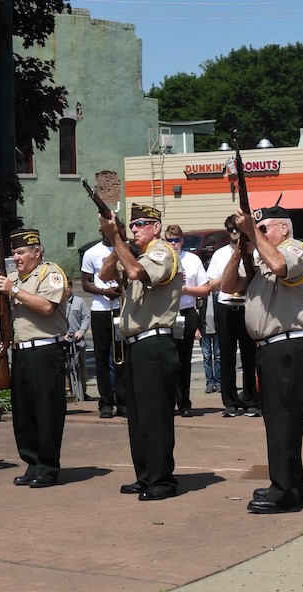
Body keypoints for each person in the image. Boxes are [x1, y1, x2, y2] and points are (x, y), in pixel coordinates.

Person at [224, 206, 303, 514]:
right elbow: (228, 287)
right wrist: (240, 249)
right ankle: (282, 484)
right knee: (276, 421)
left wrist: (253, 233)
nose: (258, 232)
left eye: (264, 228)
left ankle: (287, 492)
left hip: (290, 346)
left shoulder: (294, 249)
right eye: (258, 227)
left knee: (286, 422)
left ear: (284, 229)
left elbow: (280, 265)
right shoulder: (259, 259)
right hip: (270, 349)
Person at [99, 204, 183, 501]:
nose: (135, 229)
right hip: (136, 344)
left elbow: (135, 272)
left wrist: (118, 239)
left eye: (141, 224)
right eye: (132, 225)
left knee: (155, 414)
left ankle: (163, 479)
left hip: (155, 342)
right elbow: (105, 273)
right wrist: (115, 241)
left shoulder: (162, 253)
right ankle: (145, 475)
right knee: (137, 415)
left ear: (157, 226)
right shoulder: (137, 252)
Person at [0, 229, 70, 488]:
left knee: (46, 411)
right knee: (24, 413)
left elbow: (47, 307)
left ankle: (48, 467)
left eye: (21, 252)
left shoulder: (50, 273)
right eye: (13, 253)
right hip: (22, 351)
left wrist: (14, 290)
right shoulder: (13, 278)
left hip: (46, 350)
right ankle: (32, 462)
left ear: (37, 252)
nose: (16, 257)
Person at [206, 216, 259, 417]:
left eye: (237, 229)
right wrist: (231, 274)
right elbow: (212, 283)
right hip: (226, 306)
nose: (234, 233)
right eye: (230, 230)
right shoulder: (220, 255)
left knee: (249, 355)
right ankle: (230, 401)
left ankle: (251, 398)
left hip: (247, 306)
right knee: (226, 355)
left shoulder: (253, 252)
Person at [165, 224, 209, 418]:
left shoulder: (192, 260)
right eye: (170, 240)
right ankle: (166, 402)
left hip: (187, 310)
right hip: (166, 313)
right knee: (167, 361)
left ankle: (184, 403)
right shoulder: (161, 258)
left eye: (177, 240)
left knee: (184, 361)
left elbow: (205, 289)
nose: (174, 244)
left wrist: (186, 290)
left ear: (182, 241)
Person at [81, 230, 126, 419]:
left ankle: (123, 401)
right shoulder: (92, 252)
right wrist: (103, 291)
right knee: (101, 357)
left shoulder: (124, 249)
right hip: (101, 309)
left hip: (121, 307)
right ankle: (106, 402)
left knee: (121, 356)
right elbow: (85, 283)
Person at [64, 278, 91, 400]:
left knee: (81, 365)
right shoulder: (58, 302)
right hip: (64, 340)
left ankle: (83, 391)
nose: (66, 290)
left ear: (71, 287)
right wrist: (62, 333)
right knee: (65, 367)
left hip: (78, 340)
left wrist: (81, 331)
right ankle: (68, 391)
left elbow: (86, 317)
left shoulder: (79, 301)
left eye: (68, 287)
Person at [199, 291, 221, 394]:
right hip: (204, 329)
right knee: (206, 357)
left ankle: (219, 382)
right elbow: (196, 312)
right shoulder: (201, 295)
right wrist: (196, 329)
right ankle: (209, 383)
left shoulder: (218, 295)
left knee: (218, 356)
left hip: (217, 329)